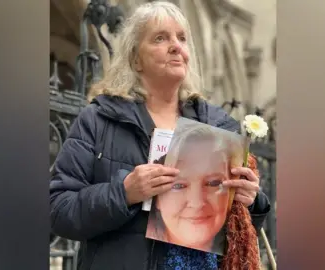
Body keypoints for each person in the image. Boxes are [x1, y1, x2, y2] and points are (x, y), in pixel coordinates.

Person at [49, 2, 271, 270]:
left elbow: (238, 237)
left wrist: (249, 203)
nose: (176, 46)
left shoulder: (219, 126)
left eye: (182, 38)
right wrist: (124, 193)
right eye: (160, 38)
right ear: (135, 59)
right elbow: (58, 210)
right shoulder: (98, 119)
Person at [146, 121, 243, 255]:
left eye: (213, 183)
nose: (196, 202)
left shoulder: (242, 257)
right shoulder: (134, 253)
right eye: (179, 185)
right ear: (157, 198)